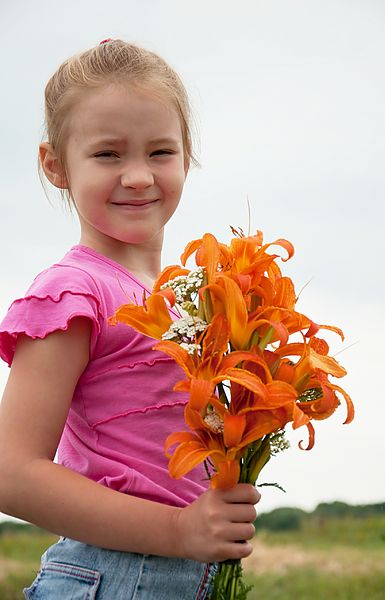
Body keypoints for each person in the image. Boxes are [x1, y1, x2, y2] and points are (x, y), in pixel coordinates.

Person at [0, 39, 260, 599]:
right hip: (115, 576)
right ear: (55, 166)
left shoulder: (193, 307)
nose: (139, 175)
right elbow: (11, 474)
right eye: (108, 154)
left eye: (160, 152)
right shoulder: (75, 291)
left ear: (187, 156)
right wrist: (179, 530)